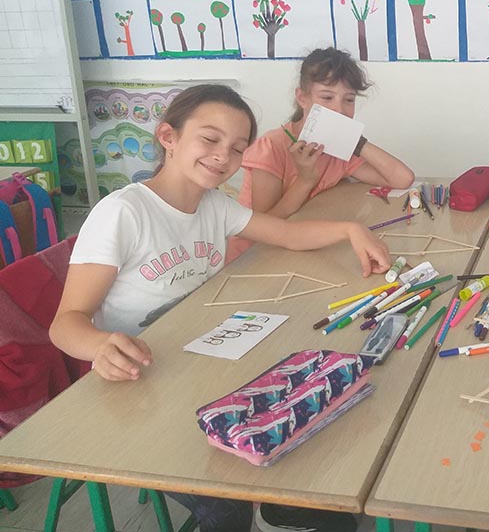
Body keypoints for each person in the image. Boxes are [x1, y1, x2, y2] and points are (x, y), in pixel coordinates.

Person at [49, 84, 384, 532]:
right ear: (168, 136)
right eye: (209, 139)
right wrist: (100, 346)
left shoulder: (214, 205)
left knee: (313, 416)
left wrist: (350, 229)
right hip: (141, 389)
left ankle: (281, 507)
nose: (223, 156)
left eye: (238, 148)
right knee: (226, 501)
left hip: (200, 364)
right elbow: (65, 324)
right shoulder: (123, 213)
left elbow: (286, 234)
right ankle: (268, 504)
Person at [239, 47, 414, 218]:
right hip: (265, 237)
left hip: (308, 229)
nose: (339, 109)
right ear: (302, 98)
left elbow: (402, 179)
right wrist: (305, 180)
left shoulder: (339, 148)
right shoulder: (270, 147)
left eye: (349, 100)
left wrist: (357, 141)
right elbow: (262, 226)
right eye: (327, 97)